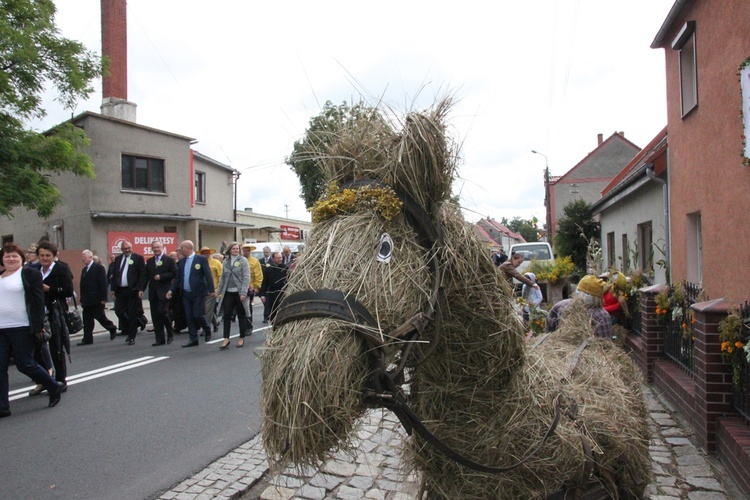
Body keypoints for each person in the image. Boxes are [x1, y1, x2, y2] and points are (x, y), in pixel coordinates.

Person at [0, 243, 65, 417]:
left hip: (21, 326)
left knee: (25, 364)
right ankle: (3, 407)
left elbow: (37, 300)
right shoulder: (0, 276)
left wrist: (37, 326)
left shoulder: (29, 274)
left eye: (14, 256)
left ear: (21, 258)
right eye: (7, 256)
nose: (10, 259)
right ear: (2, 259)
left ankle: (53, 386)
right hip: (1, 328)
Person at [37, 241, 74, 390]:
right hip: (39, 313)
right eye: (42, 255)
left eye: (48, 255)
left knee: (56, 346)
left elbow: (68, 291)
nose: (44, 258)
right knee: (38, 348)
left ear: (53, 256)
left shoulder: (61, 268)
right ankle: (43, 380)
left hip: (55, 313)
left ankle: (60, 380)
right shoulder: (34, 270)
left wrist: (49, 289)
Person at [167, 240, 215, 348]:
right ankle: (193, 339)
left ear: (188, 248)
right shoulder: (182, 262)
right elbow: (178, 278)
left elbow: (208, 275)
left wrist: (211, 290)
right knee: (189, 316)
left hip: (198, 292)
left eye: (182, 248)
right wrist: (171, 290)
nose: (180, 250)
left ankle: (207, 328)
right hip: (185, 293)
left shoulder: (200, 259)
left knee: (197, 314)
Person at [546, 275, 613, 339]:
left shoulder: (562, 305)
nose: (581, 294)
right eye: (580, 291)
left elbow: (549, 333)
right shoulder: (602, 316)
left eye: (585, 293)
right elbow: (605, 343)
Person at [110, 241, 148, 345]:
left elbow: (142, 275)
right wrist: (113, 289)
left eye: (129, 248)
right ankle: (137, 323)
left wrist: (141, 289)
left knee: (132, 313)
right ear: (121, 250)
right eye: (125, 248)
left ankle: (131, 336)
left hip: (132, 290)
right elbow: (115, 275)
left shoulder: (138, 258)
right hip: (120, 290)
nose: (127, 250)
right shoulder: (118, 259)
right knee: (119, 311)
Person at [216, 242, 251, 349]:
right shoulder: (226, 261)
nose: (236, 250)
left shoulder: (243, 261)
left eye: (237, 249)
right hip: (228, 291)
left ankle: (241, 336)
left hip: (239, 292)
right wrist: (219, 292)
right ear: (229, 250)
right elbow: (222, 278)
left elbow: (246, 277)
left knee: (241, 314)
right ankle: (226, 338)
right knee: (227, 315)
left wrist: (243, 292)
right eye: (234, 249)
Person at [78, 249, 117, 344]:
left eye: (85, 257)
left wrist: (104, 298)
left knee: (100, 317)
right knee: (87, 320)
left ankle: (112, 328)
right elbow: (83, 284)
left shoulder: (98, 268)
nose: (83, 259)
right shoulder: (84, 269)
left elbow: (103, 283)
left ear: (90, 257)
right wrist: (82, 298)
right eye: (82, 257)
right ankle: (87, 338)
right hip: (86, 300)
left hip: (96, 299)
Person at [146, 241, 177, 346]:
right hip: (153, 292)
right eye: (154, 247)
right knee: (155, 316)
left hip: (164, 291)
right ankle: (159, 339)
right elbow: (146, 276)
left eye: (158, 247)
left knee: (163, 312)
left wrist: (162, 276)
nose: (156, 249)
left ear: (162, 248)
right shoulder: (149, 261)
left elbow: (174, 273)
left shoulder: (169, 260)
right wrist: (141, 289)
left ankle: (170, 332)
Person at [259, 252, 288, 323]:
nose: (280, 259)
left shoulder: (285, 268)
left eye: (281, 257)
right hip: (272, 294)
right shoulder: (268, 269)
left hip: (283, 293)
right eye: (278, 258)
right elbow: (264, 283)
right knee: (273, 312)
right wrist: (262, 295)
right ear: (273, 259)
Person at [199, 246, 222, 333]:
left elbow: (221, 277)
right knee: (206, 309)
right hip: (201, 290)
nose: (205, 254)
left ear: (210, 253)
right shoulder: (199, 262)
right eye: (203, 253)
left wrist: (217, 290)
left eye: (207, 253)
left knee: (207, 309)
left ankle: (206, 328)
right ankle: (215, 323)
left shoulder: (216, 263)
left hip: (212, 290)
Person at [241, 244, 263, 322]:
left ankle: (248, 325)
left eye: (248, 250)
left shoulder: (255, 261)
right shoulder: (239, 260)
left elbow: (258, 275)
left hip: (250, 288)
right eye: (245, 250)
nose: (247, 252)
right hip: (239, 287)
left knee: (248, 307)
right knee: (240, 308)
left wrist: (257, 287)